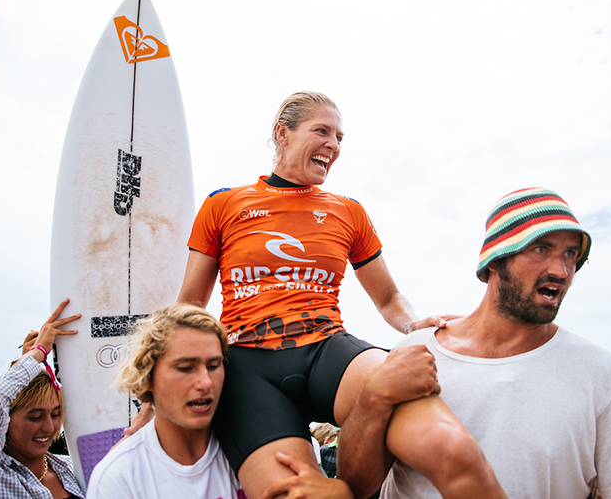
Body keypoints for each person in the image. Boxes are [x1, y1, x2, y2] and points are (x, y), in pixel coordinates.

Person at [177, 91, 505, 499]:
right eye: (322, 131)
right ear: (283, 133)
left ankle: (367, 428)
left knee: (452, 451)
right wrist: (166, 383)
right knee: (299, 495)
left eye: (340, 137)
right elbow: (190, 304)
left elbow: (388, 298)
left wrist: (413, 324)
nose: (334, 145)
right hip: (247, 366)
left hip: (327, 352)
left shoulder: (348, 211)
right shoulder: (223, 204)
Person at [345, 187, 611, 499]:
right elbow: (357, 486)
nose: (561, 270)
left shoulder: (601, 374)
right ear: (494, 259)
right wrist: (372, 396)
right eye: (541, 248)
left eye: (571, 254)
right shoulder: (417, 353)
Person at [86, 304, 243, 498]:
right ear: (148, 377)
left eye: (213, 366)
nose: (206, 382)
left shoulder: (249, 451)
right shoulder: (119, 477)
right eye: (186, 368)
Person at [0, 299, 83, 499]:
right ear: (4, 418)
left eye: (55, 414)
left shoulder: (70, 468)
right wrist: (38, 352)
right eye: (35, 417)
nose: (49, 427)